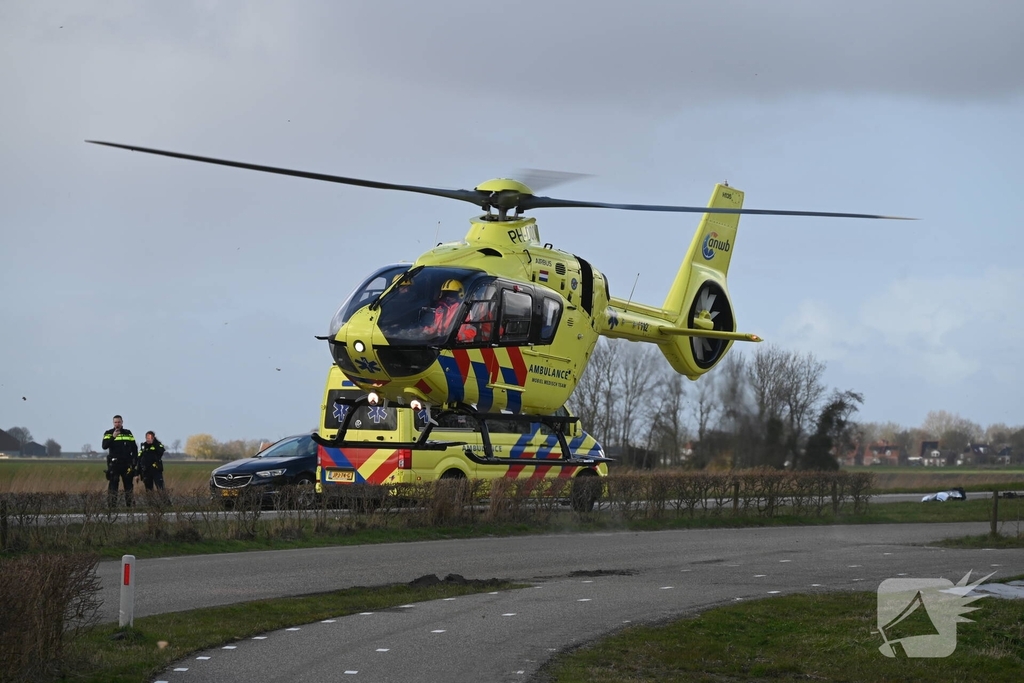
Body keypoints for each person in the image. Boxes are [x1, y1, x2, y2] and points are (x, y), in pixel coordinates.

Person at [102, 414, 138, 508]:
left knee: (129, 486)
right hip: (114, 464)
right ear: (113, 423)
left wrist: (134, 462)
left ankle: (129, 506)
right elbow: (104, 446)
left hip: (126, 464)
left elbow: (134, 448)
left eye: (119, 422)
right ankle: (112, 507)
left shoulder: (128, 433)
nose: (117, 424)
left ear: (122, 422)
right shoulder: (108, 433)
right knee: (113, 486)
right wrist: (112, 437)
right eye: (115, 422)